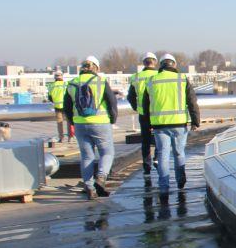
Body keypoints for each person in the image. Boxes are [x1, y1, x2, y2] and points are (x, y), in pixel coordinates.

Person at [142, 53, 200, 204]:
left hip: (160, 125)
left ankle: (163, 188)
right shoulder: (182, 79)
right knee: (179, 153)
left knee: (163, 155)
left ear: (160, 65)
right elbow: (192, 101)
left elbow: (145, 105)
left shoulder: (152, 81)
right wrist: (195, 121)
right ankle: (181, 181)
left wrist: (147, 125)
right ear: (174, 64)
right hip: (179, 124)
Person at [63, 56, 118, 200]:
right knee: (107, 152)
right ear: (96, 68)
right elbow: (112, 103)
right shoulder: (100, 82)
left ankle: (89, 187)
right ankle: (101, 177)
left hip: (80, 124)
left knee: (87, 156)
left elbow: (66, 107)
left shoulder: (72, 83)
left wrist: (73, 122)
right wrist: (113, 119)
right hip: (100, 123)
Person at [127, 52, 159, 181]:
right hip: (157, 113)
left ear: (143, 63)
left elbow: (130, 96)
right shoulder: (158, 76)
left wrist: (137, 107)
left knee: (145, 141)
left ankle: (147, 166)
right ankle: (157, 159)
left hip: (143, 114)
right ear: (155, 62)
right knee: (159, 138)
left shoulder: (136, 77)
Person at [46, 71, 68, 142]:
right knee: (69, 121)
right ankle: (71, 137)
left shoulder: (51, 86)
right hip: (66, 105)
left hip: (57, 106)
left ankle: (61, 137)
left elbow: (50, 97)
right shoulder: (66, 84)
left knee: (59, 122)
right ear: (62, 77)